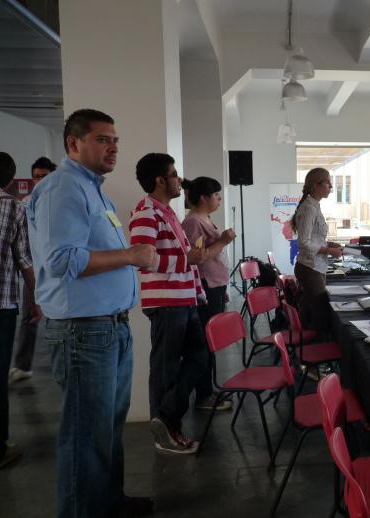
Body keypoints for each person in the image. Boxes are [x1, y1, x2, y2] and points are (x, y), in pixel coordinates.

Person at [27, 109, 156, 517]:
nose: (113, 147)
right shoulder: (63, 188)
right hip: (83, 331)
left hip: (108, 327)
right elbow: (62, 259)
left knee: (107, 427)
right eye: (102, 139)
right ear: (73, 143)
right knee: (86, 434)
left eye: (115, 140)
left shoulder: (93, 189)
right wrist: (131, 255)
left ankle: (108, 503)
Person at [129, 153, 212, 455]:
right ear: (160, 180)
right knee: (165, 370)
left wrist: (197, 289)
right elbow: (143, 259)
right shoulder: (145, 213)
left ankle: (165, 418)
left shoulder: (168, 213)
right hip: (166, 303)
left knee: (199, 357)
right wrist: (187, 260)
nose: (180, 180)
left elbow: (185, 259)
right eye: (174, 175)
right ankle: (165, 431)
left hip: (184, 299)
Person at [0, 152, 41, 471]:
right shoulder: (14, 207)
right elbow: (24, 260)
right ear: (12, 180)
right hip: (1, 304)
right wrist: (35, 300)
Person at [180, 176, 236, 411]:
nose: (219, 199)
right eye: (216, 195)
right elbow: (197, 257)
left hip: (214, 286)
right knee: (204, 343)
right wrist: (222, 241)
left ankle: (209, 390)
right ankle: (204, 395)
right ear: (204, 198)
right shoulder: (193, 221)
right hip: (205, 287)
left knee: (210, 342)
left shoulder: (204, 218)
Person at [9, 156, 57, 385]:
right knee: (29, 316)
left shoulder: (61, 201)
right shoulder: (26, 203)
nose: (39, 180)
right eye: (36, 176)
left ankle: (62, 364)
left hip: (57, 269)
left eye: (44, 176)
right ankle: (23, 365)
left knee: (59, 318)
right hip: (34, 269)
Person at [291, 168, 343, 337]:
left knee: (311, 311)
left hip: (314, 266)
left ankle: (307, 346)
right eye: (327, 183)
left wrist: (328, 244)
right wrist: (329, 250)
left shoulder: (314, 205)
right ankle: (317, 349)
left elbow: (313, 238)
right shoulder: (309, 208)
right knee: (320, 315)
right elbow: (303, 242)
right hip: (310, 267)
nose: (331, 187)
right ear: (316, 185)